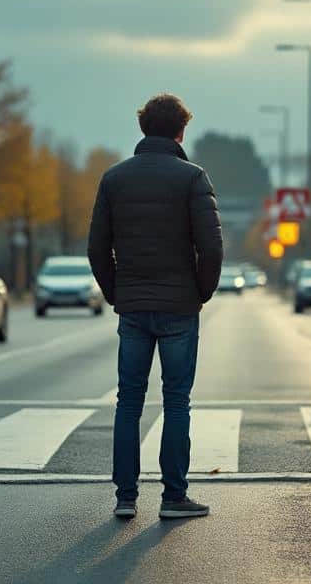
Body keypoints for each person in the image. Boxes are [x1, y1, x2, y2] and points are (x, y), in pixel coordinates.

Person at [87, 93, 223, 521]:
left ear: (143, 128)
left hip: (133, 307)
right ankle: (173, 496)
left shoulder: (114, 179)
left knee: (129, 400)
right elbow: (212, 246)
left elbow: (96, 248)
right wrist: (199, 292)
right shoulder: (192, 178)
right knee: (176, 400)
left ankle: (126, 497)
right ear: (181, 131)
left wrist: (116, 292)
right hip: (179, 307)